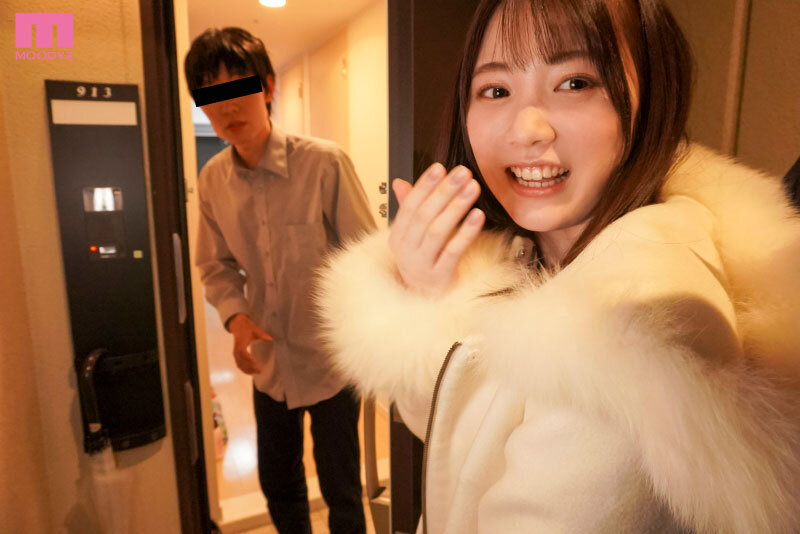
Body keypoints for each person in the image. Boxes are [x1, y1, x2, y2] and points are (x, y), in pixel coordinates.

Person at [315, 0, 800, 532]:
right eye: (495, 90)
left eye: (575, 83)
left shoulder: (627, 326)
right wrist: (432, 295)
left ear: (653, 99)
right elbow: (466, 439)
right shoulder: (532, 257)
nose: (528, 129)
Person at [185, 27, 374, 534]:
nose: (227, 106)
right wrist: (236, 318)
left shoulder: (324, 163)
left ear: (267, 87)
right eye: (211, 95)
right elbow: (215, 265)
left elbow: (365, 258)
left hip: (331, 360)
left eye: (237, 87)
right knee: (279, 486)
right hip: (269, 363)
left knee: (342, 489)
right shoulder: (212, 181)